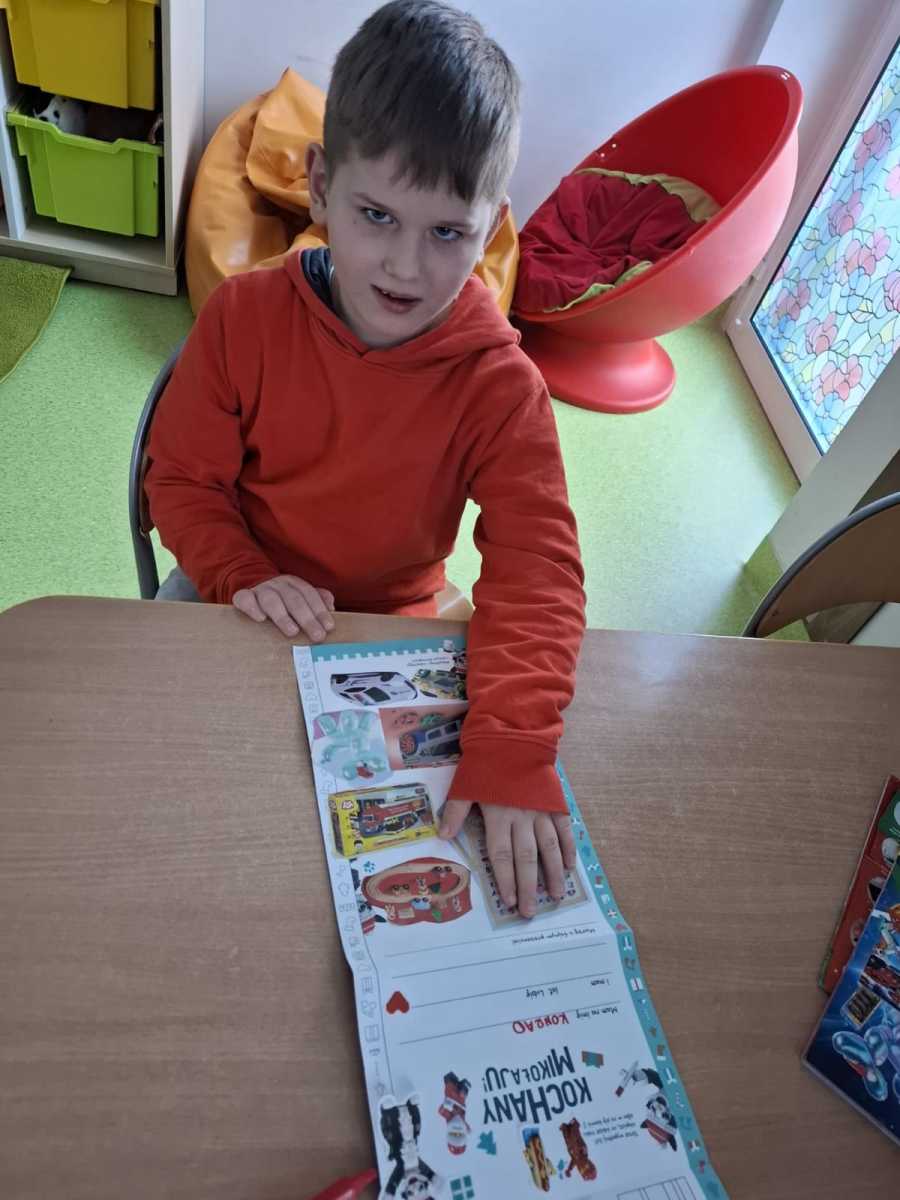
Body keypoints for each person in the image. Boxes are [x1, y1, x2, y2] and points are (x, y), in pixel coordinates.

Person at [145, 0, 585, 917]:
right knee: (173, 803)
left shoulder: (503, 387)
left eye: (447, 232)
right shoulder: (242, 318)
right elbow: (181, 482)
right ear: (318, 185)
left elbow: (539, 573)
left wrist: (514, 746)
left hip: (392, 624)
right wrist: (240, 573)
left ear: (492, 230)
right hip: (238, 588)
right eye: (376, 214)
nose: (405, 267)